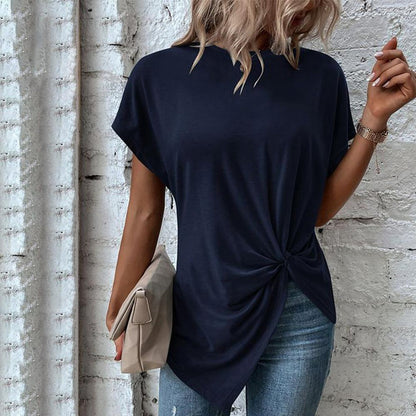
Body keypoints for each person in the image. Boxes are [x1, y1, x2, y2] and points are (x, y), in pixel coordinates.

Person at [106, 0, 416, 414]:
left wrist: (374, 118)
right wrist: (119, 310)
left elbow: (317, 212)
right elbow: (145, 210)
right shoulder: (158, 77)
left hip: (297, 311)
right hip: (200, 312)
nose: (309, 9)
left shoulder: (320, 77)